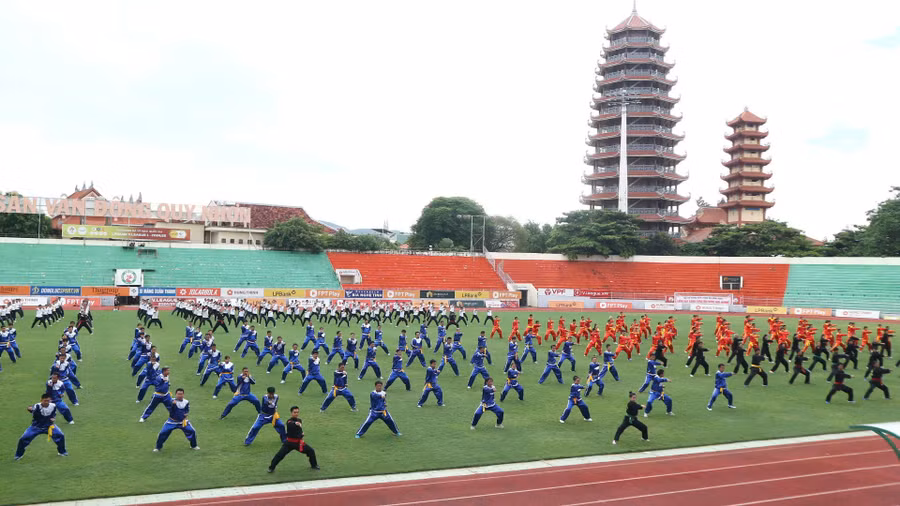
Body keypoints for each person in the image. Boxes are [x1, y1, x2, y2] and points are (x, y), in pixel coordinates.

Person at [15, 393, 68, 459]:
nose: (46, 402)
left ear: (50, 400)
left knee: (60, 435)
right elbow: (31, 408)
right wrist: (29, 408)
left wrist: (53, 418)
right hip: (36, 427)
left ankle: (62, 452)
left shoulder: (53, 406)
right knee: (23, 438)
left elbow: (53, 414)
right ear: (41, 400)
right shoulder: (37, 406)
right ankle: (18, 455)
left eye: (48, 401)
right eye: (45, 400)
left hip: (49, 426)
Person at [268, 406, 319, 472]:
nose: (296, 414)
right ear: (291, 413)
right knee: (279, 455)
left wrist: (302, 434)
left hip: (298, 443)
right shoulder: (289, 421)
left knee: (311, 451)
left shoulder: (299, 420)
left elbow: (299, 430)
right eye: (295, 412)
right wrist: (295, 423)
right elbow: (291, 424)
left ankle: (314, 465)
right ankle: (271, 468)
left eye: (297, 412)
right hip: (289, 443)